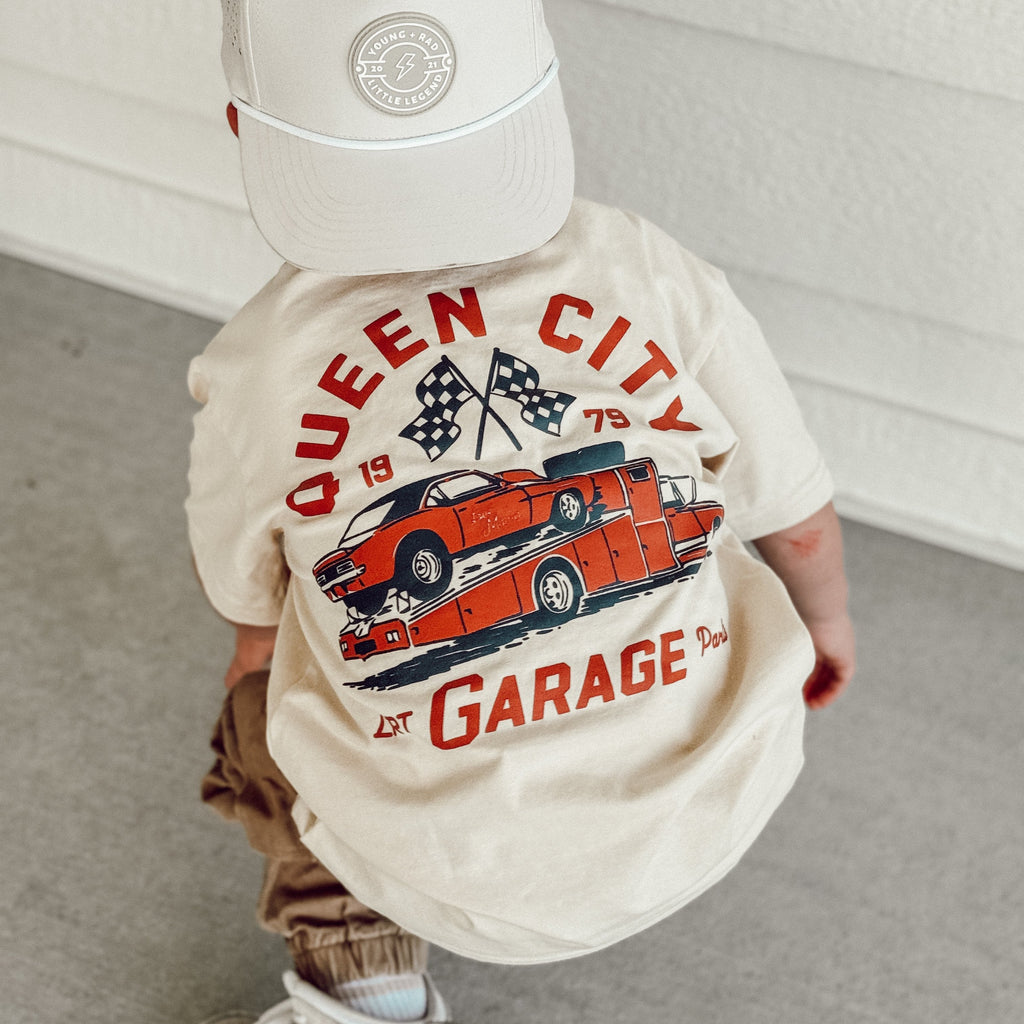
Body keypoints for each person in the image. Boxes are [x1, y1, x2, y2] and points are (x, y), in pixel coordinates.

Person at [190, 2, 855, 1022]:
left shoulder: (257, 365)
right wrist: (825, 622)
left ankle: (363, 976)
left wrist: (263, 676)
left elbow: (250, 615)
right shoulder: (644, 265)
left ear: (243, 126)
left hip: (439, 864)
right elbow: (795, 516)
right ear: (543, 88)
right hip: (715, 790)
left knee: (268, 713)